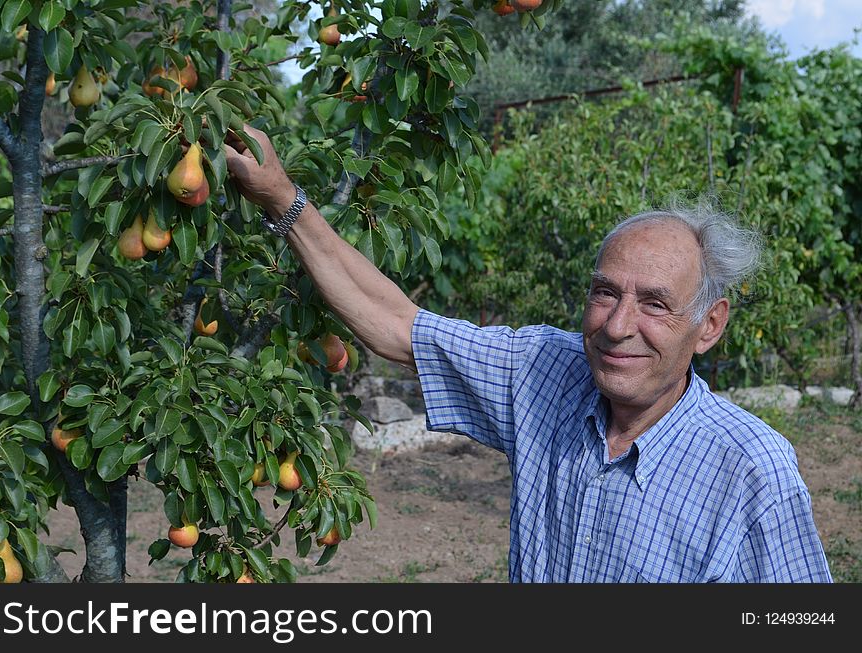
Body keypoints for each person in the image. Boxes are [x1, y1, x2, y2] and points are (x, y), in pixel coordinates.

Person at [224, 125, 833, 583]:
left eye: (654, 304)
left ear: (709, 325)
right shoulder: (545, 373)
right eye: (604, 293)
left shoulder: (751, 469)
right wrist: (281, 197)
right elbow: (395, 323)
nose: (618, 326)